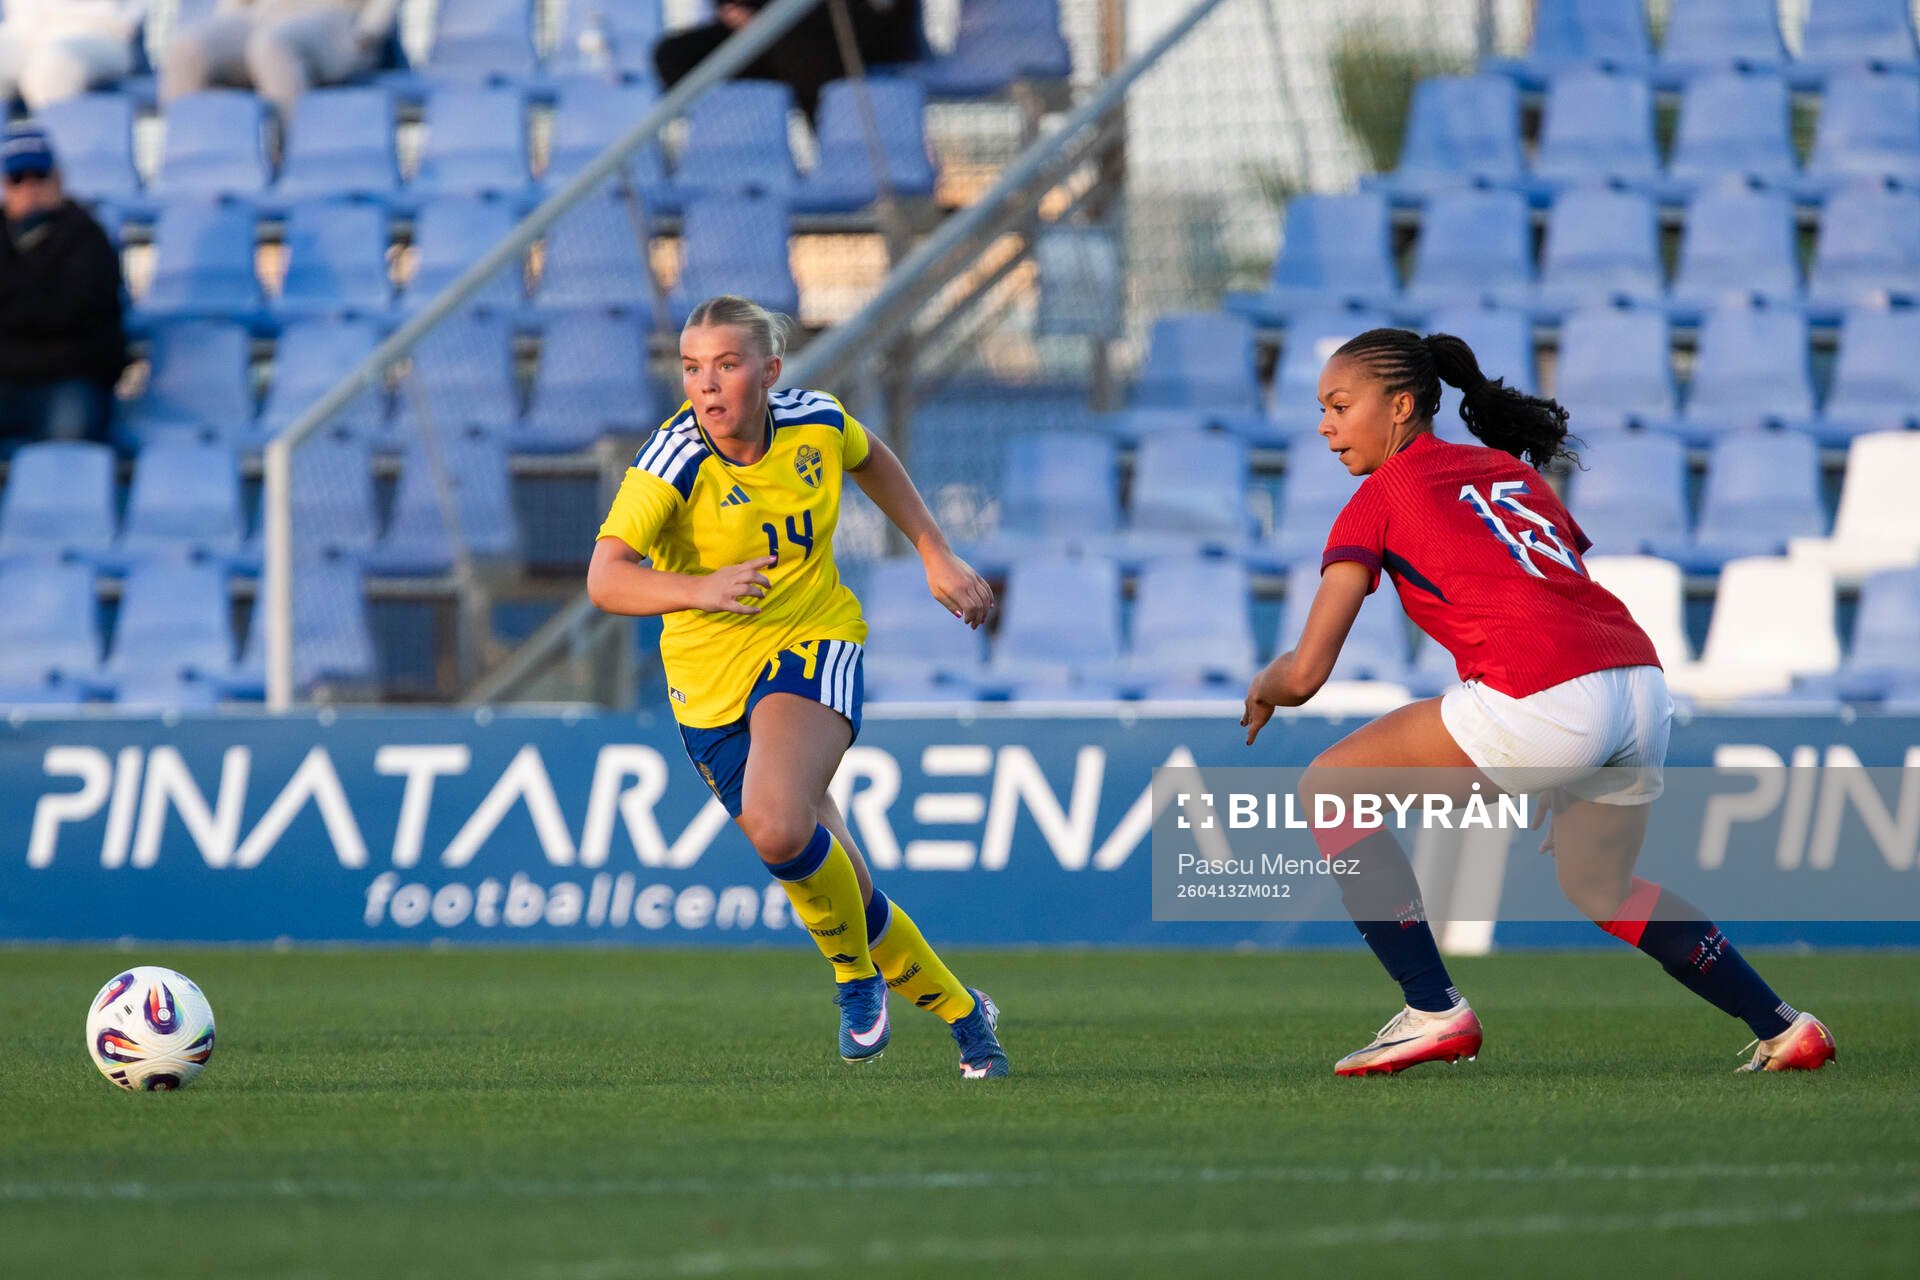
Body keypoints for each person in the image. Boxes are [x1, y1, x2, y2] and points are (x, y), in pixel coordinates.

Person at [1241, 326, 1836, 1077]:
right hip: (1638, 683)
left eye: (1338, 404)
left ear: (1399, 407)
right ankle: (1785, 1028)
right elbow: (1555, 588)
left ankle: (1433, 1009)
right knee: (1602, 885)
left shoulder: (1379, 496)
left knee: (1329, 790)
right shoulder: (1504, 471)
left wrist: (1264, 684)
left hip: (1547, 695)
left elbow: (1304, 676)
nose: (1324, 425)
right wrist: (1570, 750)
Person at [587, 294, 1008, 1078]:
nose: (707, 386)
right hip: (707, 688)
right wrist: (701, 589)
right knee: (840, 877)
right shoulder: (671, 461)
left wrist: (934, 551)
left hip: (812, 643)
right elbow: (606, 579)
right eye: (691, 369)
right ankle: (964, 1013)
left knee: (778, 828)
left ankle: (852, 980)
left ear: (769, 371)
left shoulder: (814, 419)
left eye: (726, 365)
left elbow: (869, 456)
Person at [0, 124, 127, 448]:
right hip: (8, 379)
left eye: (38, 177)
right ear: (5, 186)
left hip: (68, 381)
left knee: (68, 436)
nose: (29, 188)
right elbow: (53, 309)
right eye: (18, 179)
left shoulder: (88, 237)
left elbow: (75, 310)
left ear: (58, 179)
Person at [653, 0, 922, 121]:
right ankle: (729, 145)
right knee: (674, 54)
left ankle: (838, 149)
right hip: (762, 31)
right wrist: (738, 11)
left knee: (796, 46)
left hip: (848, 33)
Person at [160, 0, 403, 122]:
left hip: (334, 20)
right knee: (186, 50)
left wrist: (369, 31)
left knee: (270, 46)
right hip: (265, 13)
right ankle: (183, 159)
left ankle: (292, 155)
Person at [0, 1, 148, 111]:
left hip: (100, 30)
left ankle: (55, 149)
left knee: (51, 69)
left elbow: (125, 17)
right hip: (24, 29)